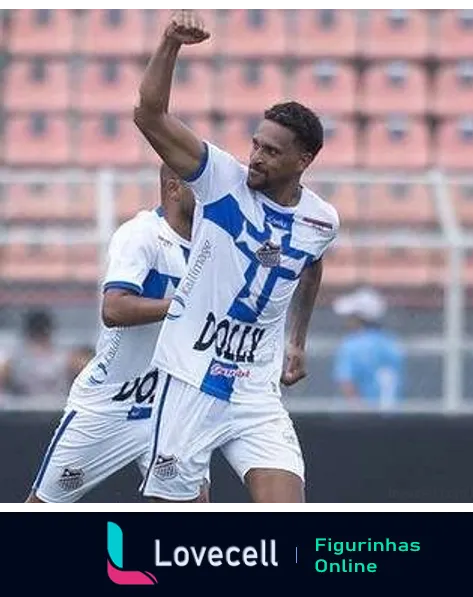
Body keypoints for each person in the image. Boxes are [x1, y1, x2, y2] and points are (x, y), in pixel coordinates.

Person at [134, 8, 340, 505]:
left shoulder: (321, 220)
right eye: (255, 144)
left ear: (303, 160)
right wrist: (170, 44)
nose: (256, 156)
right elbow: (148, 116)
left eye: (271, 151)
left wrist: (296, 342)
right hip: (189, 380)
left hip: (254, 392)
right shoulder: (220, 181)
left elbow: (310, 265)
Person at [25, 165, 208, 504]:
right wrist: (183, 306)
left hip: (173, 407)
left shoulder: (214, 245)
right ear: (173, 189)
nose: (213, 192)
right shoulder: (142, 235)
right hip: (113, 402)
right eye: (201, 185)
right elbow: (114, 310)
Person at [332, 287, 405, 408]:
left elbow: (347, 384)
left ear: (359, 318)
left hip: (364, 420)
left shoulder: (350, 346)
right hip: (394, 418)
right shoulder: (392, 343)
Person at [0, 310, 70, 401]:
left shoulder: (64, 358)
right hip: (23, 411)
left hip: (56, 408)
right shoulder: (15, 359)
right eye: (36, 333)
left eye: (43, 332)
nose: (39, 337)